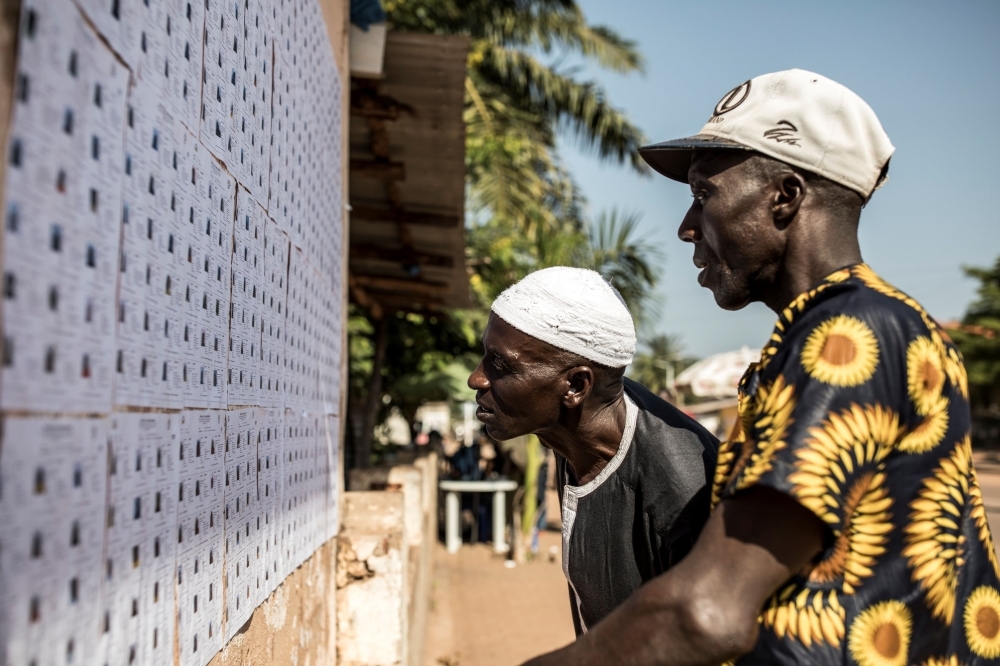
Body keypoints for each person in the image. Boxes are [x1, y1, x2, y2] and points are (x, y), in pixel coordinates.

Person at [523, 69, 1000, 666]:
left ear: (785, 195)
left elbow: (708, 612)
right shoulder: (840, 332)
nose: (686, 227)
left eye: (703, 195)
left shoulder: (852, 337)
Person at [468, 267, 718, 634]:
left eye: (501, 364)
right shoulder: (565, 430)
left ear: (575, 385)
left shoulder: (683, 489)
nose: (477, 378)